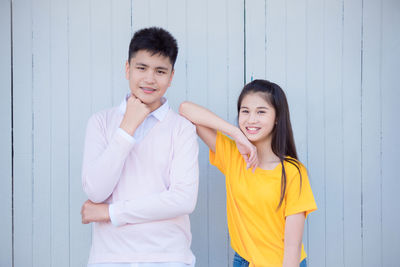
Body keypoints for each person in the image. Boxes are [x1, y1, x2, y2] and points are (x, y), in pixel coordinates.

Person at [80, 27, 199, 267]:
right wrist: (126, 129)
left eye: (160, 71)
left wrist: (111, 213)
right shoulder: (101, 122)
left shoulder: (182, 129)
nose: (149, 79)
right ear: (127, 68)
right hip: (109, 258)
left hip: (169, 258)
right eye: (141, 68)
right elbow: (95, 191)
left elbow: (184, 200)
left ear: (171, 76)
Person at [179, 79, 317, 267]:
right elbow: (186, 110)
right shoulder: (234, 157)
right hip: (245, 261)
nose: (251, 119)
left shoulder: (292, 172)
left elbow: (293, 246)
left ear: (277, 117)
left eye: (261, 112)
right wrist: (235, 133)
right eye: (245, 111)